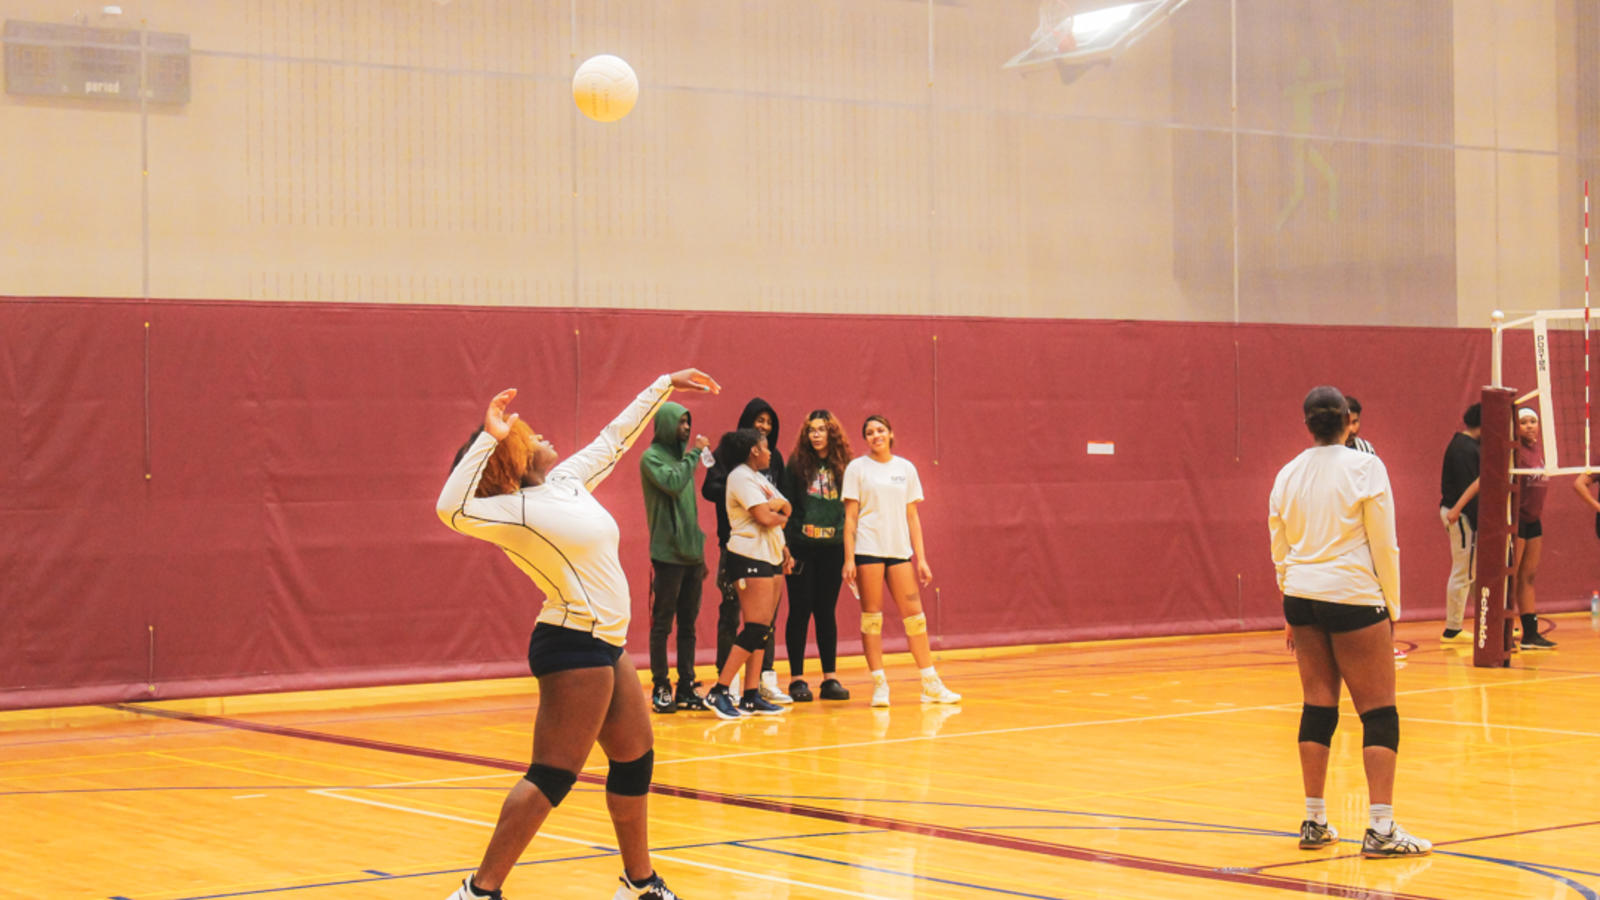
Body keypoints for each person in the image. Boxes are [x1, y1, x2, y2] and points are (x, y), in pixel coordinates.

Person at [436, 368, 719, 900]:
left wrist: (663, 383)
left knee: (635, 760)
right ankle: (478, 891)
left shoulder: (565, 482)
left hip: (605, 643)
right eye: (529, 437)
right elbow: (450, 509)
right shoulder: (509, 510)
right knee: (553, 774)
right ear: (512, 459)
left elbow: (614, 438)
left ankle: (638, 884)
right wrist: (487, 437)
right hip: (572, 643)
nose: (542, 437)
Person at [1269, 385, 1430, 859]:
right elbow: (1386, 544)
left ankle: (1314, 821)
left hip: (1301, 595)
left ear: (1308, 424)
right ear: (1347, 421)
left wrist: (1287, 599)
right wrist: (1392, 608)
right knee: (1379, 711)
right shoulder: (1366, 467)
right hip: (1353, 596)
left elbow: (1279, 545)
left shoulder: (1286, 474)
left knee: (1318, 705)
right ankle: (1381, 829)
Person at [842, 414, 960, 707]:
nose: (875, 435)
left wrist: (921, 559)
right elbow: (851, 518)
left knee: (915, 618)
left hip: (899, 552)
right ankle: (880, 684)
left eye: (880, 430)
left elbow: (912, 517)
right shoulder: (857, 468)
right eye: (869, 432)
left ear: (890, 433)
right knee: (872, 619)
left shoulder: (905, 469)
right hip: (868, 549)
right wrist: (848, 559)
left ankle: (930, 682)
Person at [701, 398, 792, 704]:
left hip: (769, 552)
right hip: (747, 555)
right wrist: (776, 514)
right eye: (765, 444)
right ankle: (722, 688)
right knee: (749, 624)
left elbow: (786, 506)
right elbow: (766, 516)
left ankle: (752, 693)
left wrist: (779, 516)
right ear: (754, 449)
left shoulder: (759, 476)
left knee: (762, 626)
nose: (771, 449)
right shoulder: (738, 475)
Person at [639, 401, 711, 714]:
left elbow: (690, 511)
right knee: (663, 625)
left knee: (689, 626)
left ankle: (686, 686)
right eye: (681, 422)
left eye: (687, 422)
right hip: (667, 556)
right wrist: (695, 454)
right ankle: (661, 686)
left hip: (692, 556)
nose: (686, 428)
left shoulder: (683, 460)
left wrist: (700, 552)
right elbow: (672, 483)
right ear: (667, 424)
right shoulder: (652, 458)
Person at [781, 409, 854, 702]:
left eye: (822, 429)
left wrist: (849, 552)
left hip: (833, 547)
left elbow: (851, 509)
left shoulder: (845, 466)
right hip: (801, 545)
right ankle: (797, 679)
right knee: (800, 609)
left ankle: (830, 678)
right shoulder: (796, 464)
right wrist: (786, 545)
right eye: (812, 430)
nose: (816, 435)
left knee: (826, 610)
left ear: (831, 433)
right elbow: (785, 506)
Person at [1511, 407, 1557, 650]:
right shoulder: (1514, 453)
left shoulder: (1540, 450)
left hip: (1533, 520)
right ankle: (1504, 631)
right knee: (1512, 577)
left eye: (1533, 421)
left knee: (1528, 577)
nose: (1529, 426)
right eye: (1524, 422)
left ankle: (1530, 634)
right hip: (1516, 520)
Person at [1438, 404, 1481, 643]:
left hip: (1460, 513)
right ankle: (1452, 629)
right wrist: (1458, 511)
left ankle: (1487, 619)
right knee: (1462, 571)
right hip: (1460, 514)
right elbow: (1472, 486)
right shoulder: (1463, 449)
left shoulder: (1470, 445)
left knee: (1472, 571)